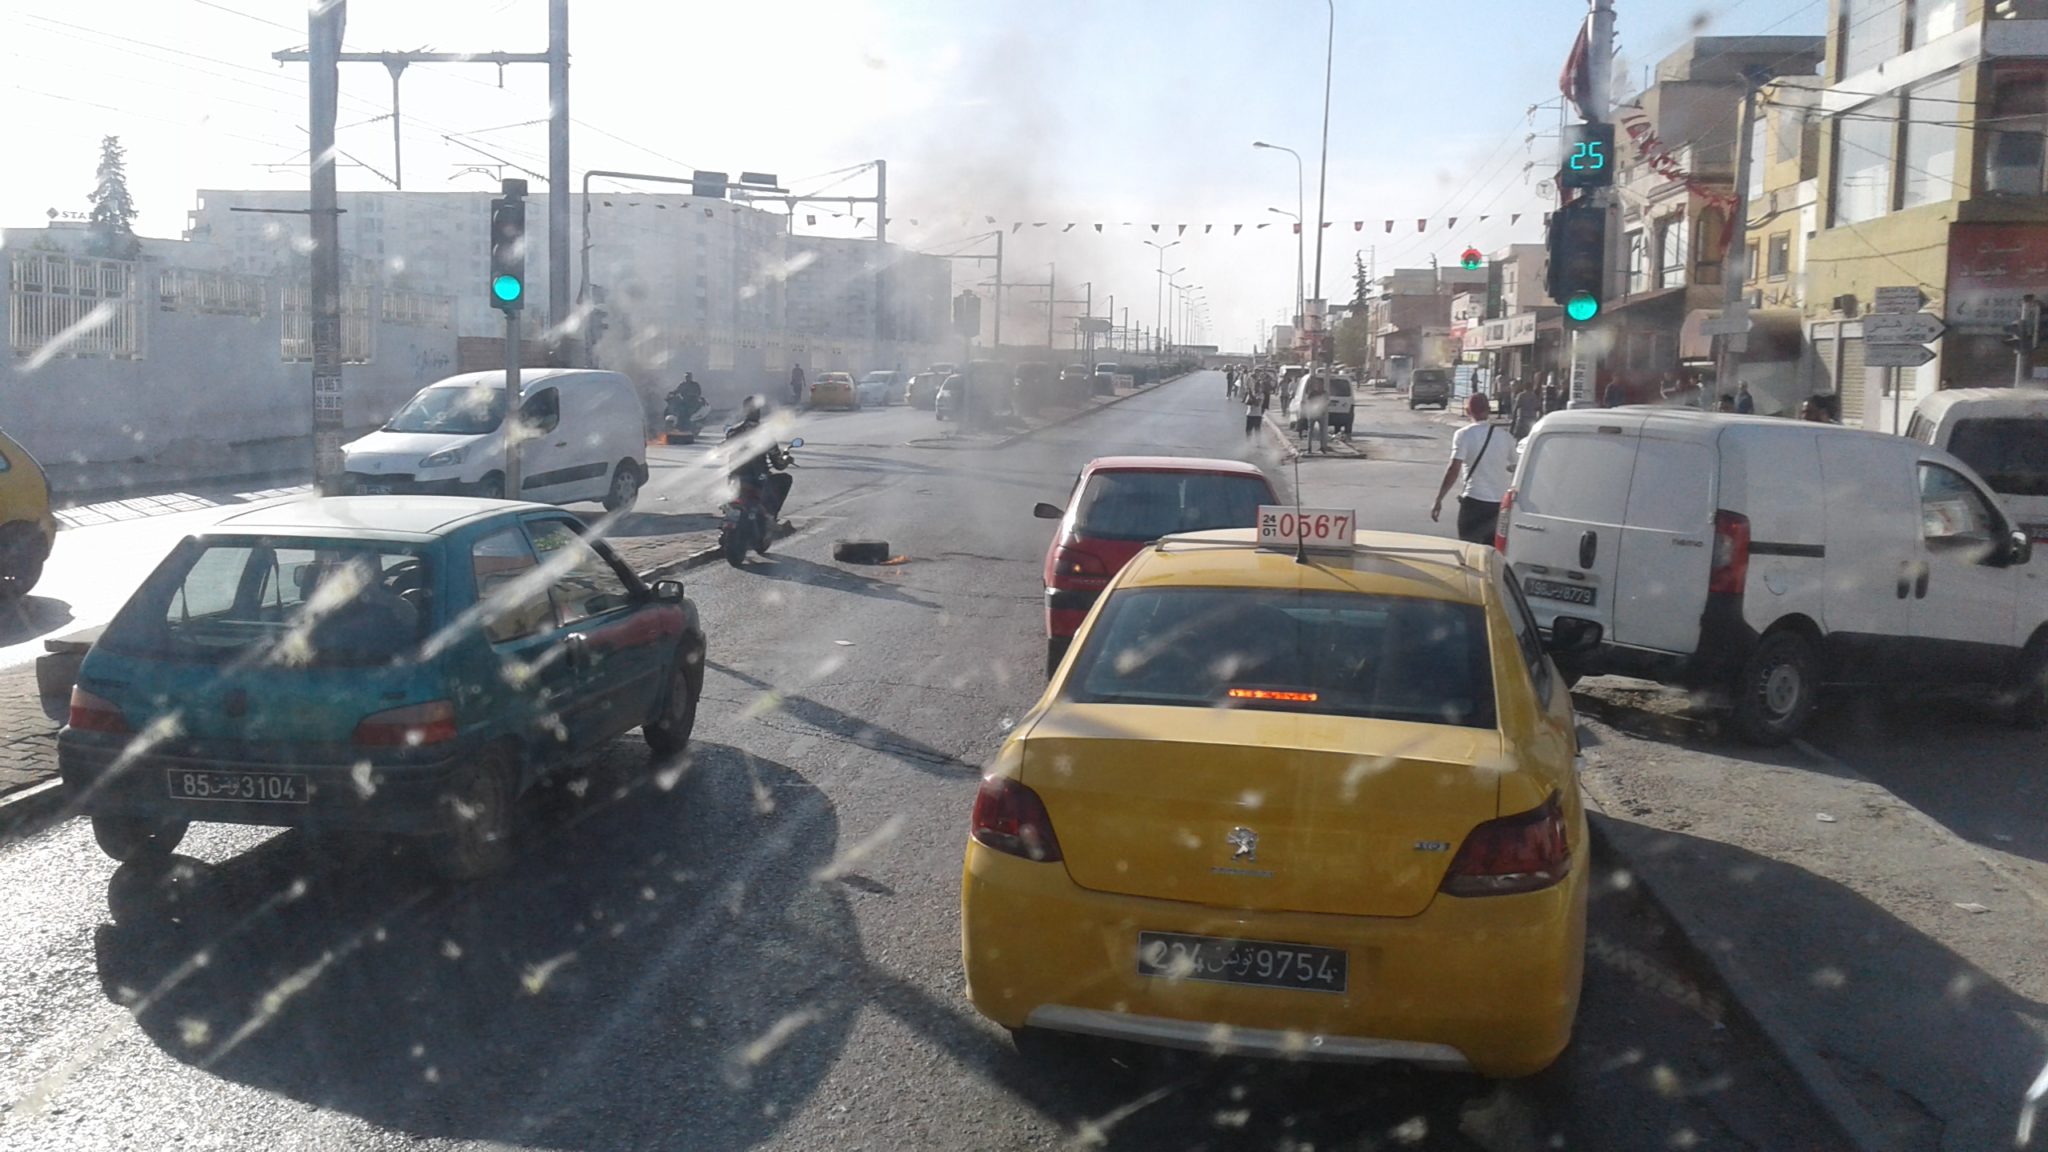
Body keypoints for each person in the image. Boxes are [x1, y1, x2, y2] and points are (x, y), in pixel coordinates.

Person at [1431, 394, 1515, 545]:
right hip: (1498, 505)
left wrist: (1439, 499)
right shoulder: (1505, 437)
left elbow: (1453, 469)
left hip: (1474, 502)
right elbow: (1517, 466)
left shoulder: (1464, 435)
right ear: (1488, 410)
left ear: (1468, 411)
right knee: (1493, 552)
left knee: (1468, 549)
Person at [1302, 373, 1329, 453]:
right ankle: (1309, 448)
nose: (1319, 386)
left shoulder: (1324, 393)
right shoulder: (1312, 393)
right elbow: (1308, 402)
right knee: (1310, 431)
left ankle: (1322, 447)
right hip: (1312, 414)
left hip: (1321, 414)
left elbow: (1327, 402)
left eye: (1320, 384)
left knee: (1322, 431)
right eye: (1318, 384)